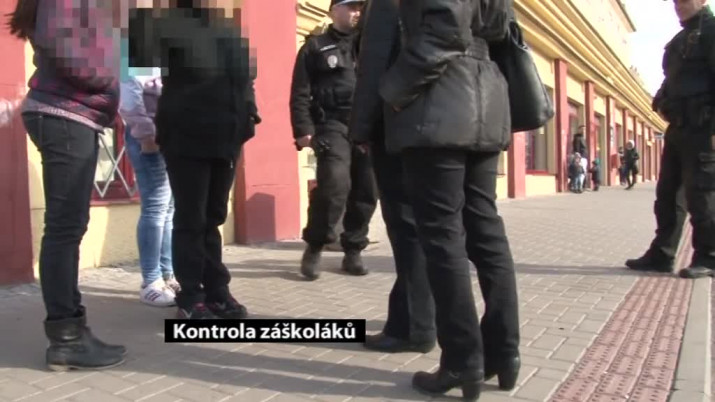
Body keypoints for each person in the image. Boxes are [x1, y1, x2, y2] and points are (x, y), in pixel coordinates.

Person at [379, 0, 520, 399]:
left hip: (439, 101)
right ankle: (503, 352)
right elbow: (497, 27)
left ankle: (462, 360)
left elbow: (446, 27)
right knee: (486, 231)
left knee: (443, 238)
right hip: (484, 96)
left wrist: (395, 88)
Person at [8, 0, 126, 370]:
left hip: (69, 114)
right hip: (65, 114)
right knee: (64, 228)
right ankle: (66, 340)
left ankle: (72, 332)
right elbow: (61, 43)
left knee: (67, 227)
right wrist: (106, 75)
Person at [128, 0, 261, 319]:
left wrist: (249, 118)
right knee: (191, 219)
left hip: (226, 138)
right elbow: (138, 58)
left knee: (213, 217)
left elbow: (245, 82)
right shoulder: (165, 24)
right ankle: (191, 296)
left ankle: (217, 290)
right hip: (186, 137)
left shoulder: (229, 32)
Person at [348, 0, 437, 353]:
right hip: (437, 120)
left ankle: (414, 327)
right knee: (424, 227)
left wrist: (361, 127)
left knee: (406, 227)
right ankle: (410, 320)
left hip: (396, 124)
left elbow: (374, 66)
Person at [290, 0, 378, 280]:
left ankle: (353, 249)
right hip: (331, 123)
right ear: (333, 10)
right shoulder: (315, 47)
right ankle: (316, 244)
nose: (356, 12)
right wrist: (303, 129)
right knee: (334, 184)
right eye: (350, 7)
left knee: (366, 189)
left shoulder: (372, 44)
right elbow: (300, 92)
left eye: (359, 7)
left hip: (367, 125)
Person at [627, 0, 715, 278]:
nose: (678, 5)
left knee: (702, 195)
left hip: (704, 129)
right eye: (675, 0)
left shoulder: (711, 31)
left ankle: (709, 257)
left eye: (684, 0)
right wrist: (662, 100)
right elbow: (673, 80)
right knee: (667, 194)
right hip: (678, 128)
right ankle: (662, 254)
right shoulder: (682, 38)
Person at [119, 72, 179, 307]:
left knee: (169, 209)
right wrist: (146, 134)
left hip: (170, 133)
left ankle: (168, 275)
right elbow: (129, 98)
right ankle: (151, 281)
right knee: (156, 208)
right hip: (148, 135)